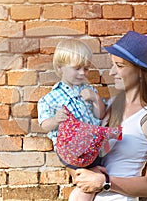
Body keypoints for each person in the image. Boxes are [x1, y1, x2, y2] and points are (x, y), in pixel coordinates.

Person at [73, 31, 147, 201]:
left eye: (120, 66)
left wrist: (105, 182)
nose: (112, 72)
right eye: (113, 65)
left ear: (141, 72)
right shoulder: (112, 104)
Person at [38, 39, 107, 200]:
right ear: (60, 68)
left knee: (91, 183)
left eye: (86, 68)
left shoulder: (89, 90)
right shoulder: (50, 99)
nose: (83, 73)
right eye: (77, 68)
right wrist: (55, 120)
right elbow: (44, 125)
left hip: (93, 146)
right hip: (71, 150)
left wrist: (96, 99)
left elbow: (100, 115)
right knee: (87, 182)